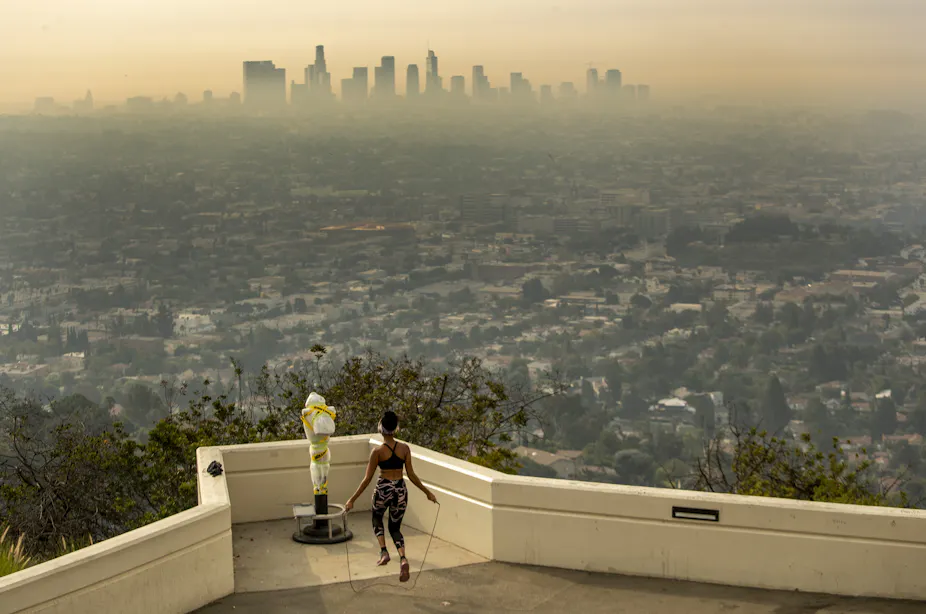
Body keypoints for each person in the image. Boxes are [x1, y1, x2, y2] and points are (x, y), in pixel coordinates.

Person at [344, 411, 437, 582]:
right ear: (396, 429)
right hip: (401, 490)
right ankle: (403, 558)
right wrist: (428, 493)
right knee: (395, 528)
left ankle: (384, 551)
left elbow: (367, 480)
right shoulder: (404, 449)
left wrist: (352, 500)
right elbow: (412, 475)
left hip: (384, 488)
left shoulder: (377, 452)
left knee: (376, 518)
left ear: (381, 428)